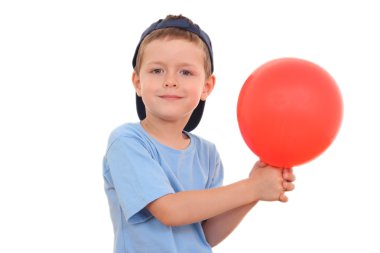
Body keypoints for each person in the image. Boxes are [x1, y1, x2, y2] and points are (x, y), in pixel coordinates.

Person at [103, 14, 296, 253]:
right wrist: (252, 187)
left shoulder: (208, 153)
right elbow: (169, 210)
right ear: (137, 82)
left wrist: (254, 193)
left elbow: (207, 234)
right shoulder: (127, 141)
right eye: (157, 70)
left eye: (185, 72)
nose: (170, 81)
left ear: (206, 86)